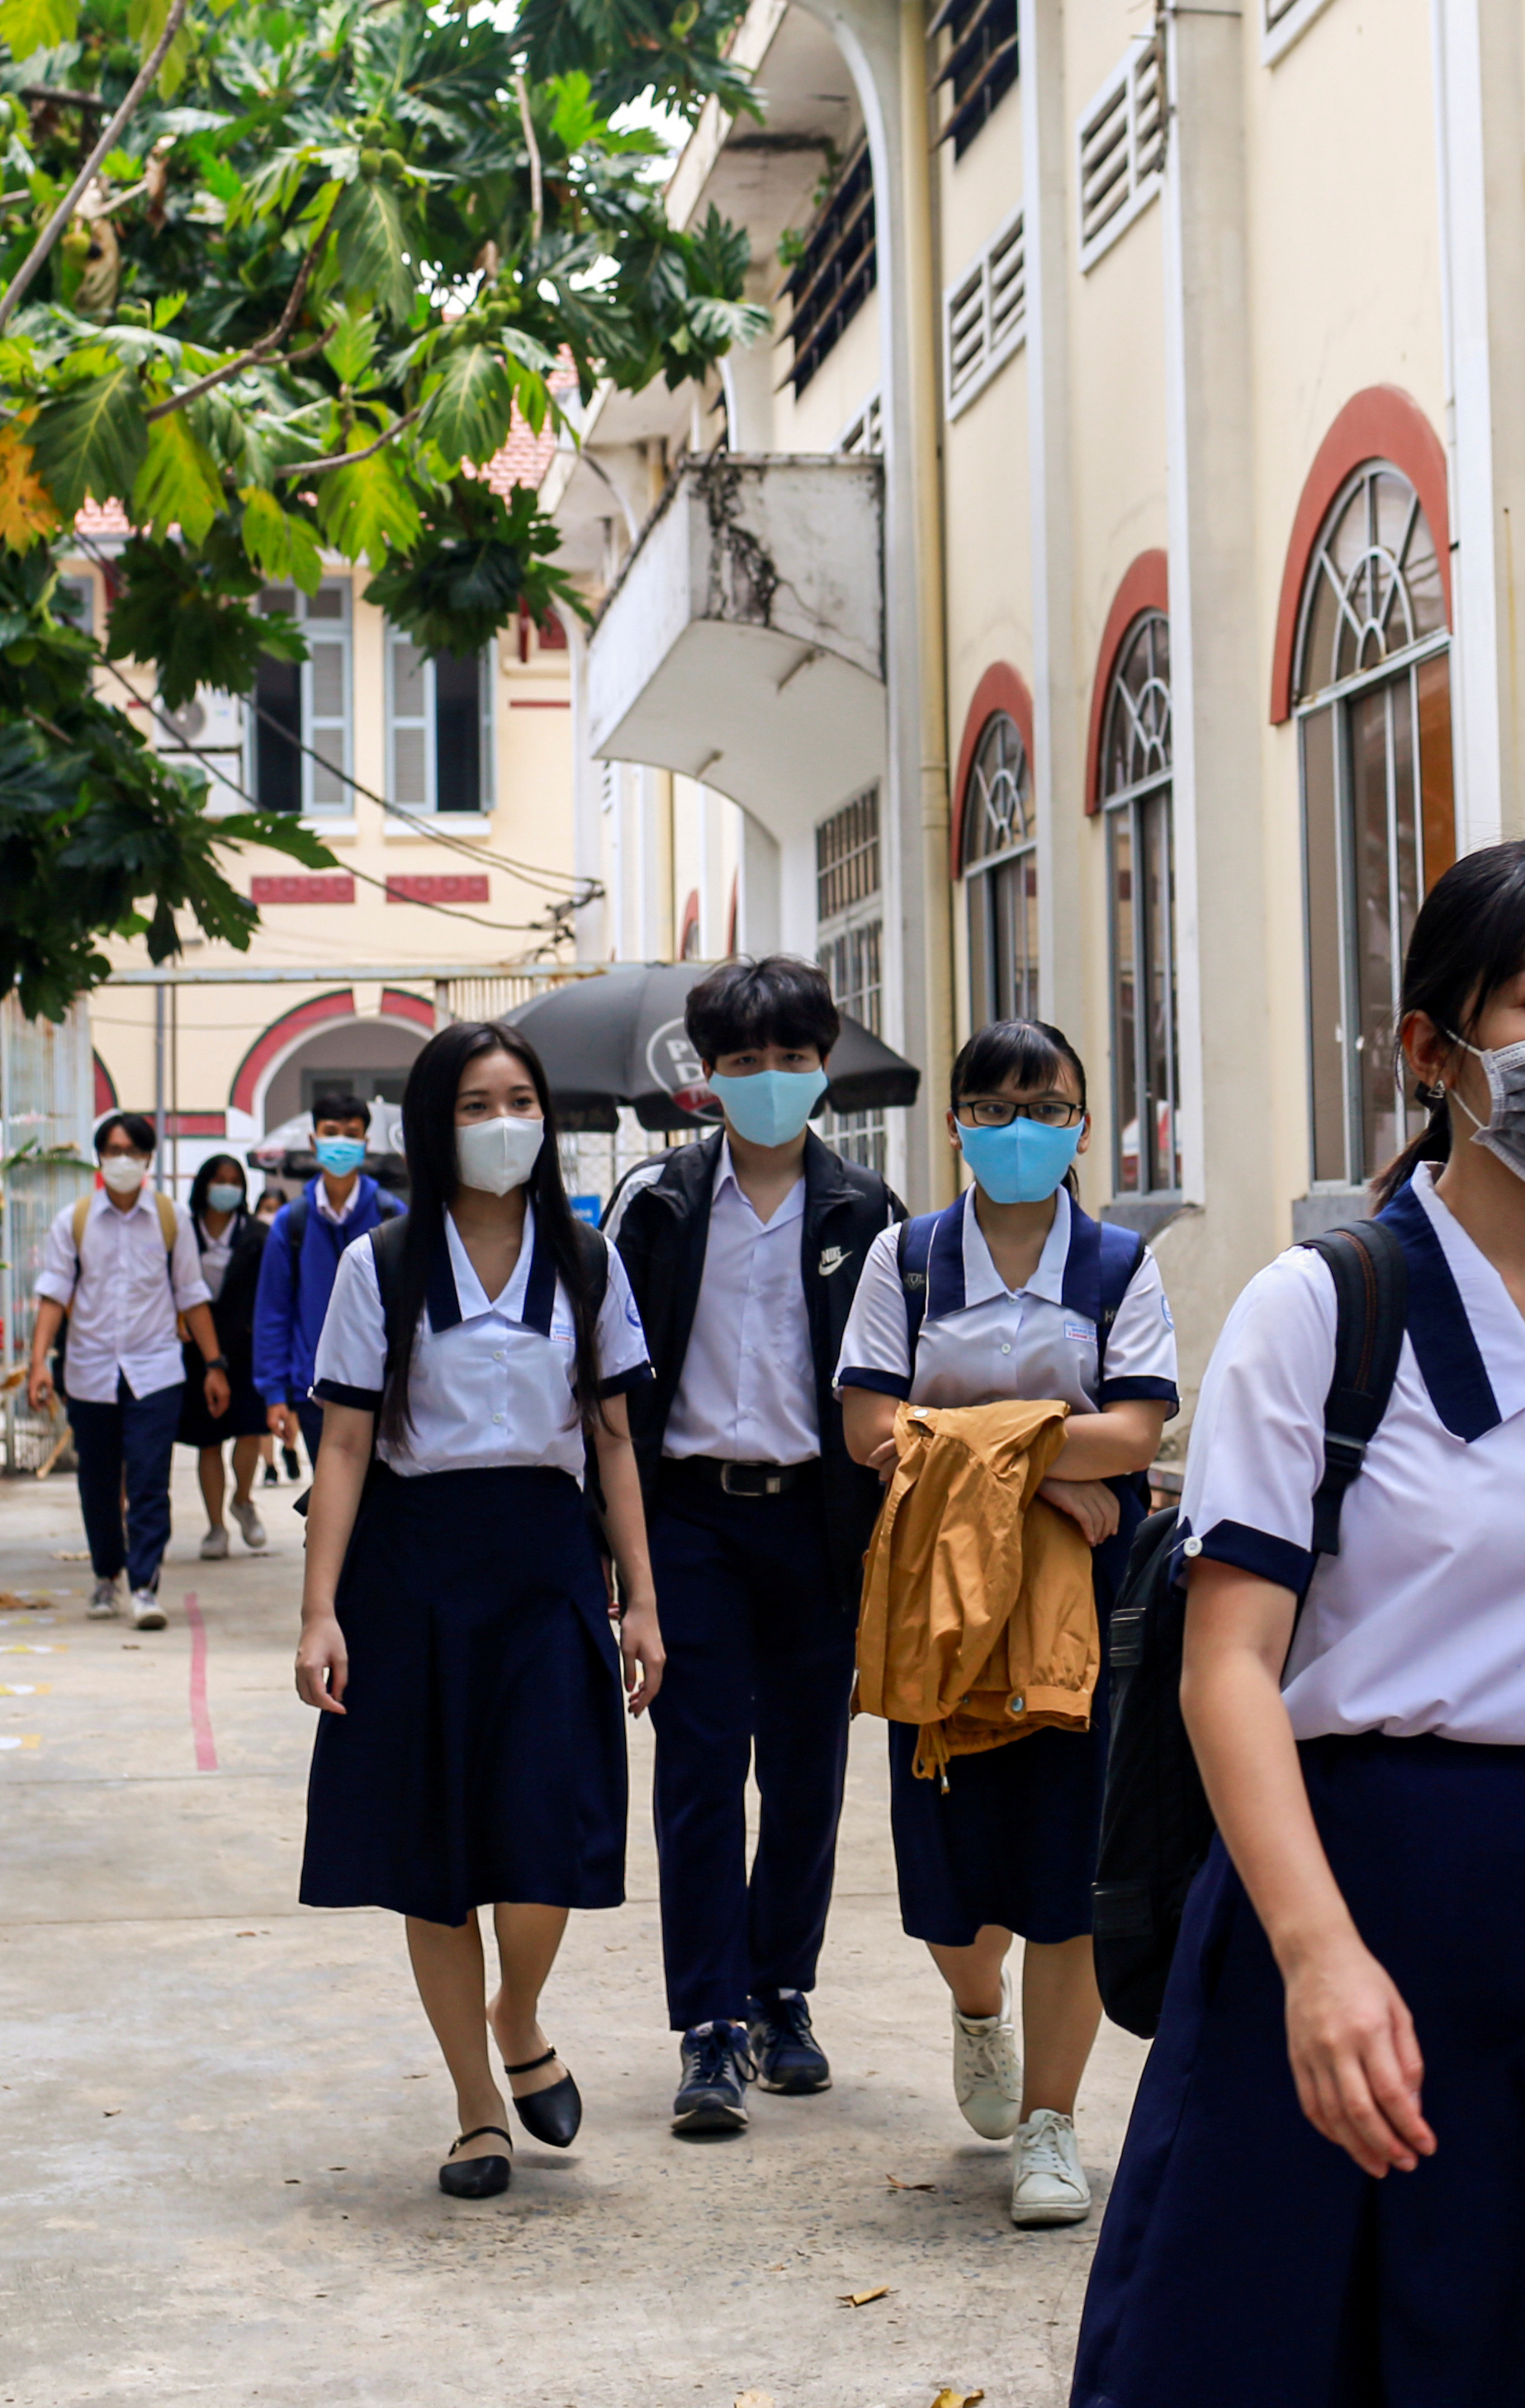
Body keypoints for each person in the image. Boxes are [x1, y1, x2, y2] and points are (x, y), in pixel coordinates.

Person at [1072, 841, 1525, 2407]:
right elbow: (1228, 1664)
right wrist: (1316, 1958)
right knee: (1286, 2348)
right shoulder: (1325, 1308)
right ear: (1433, 1050)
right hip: (1352, 1885)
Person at [294, 1022, 664, 2202]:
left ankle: (521, 2010)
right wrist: (319, 1612)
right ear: (431, 1122)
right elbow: (344, 1442)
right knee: (434, 1855)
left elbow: (613, 1438)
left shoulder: (589, 1261)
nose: (503, 1122)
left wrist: (643, 1600)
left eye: (520, 1100)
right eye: (473, 1103)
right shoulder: (385, 1266)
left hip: (546, 1567)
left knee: (547, 1838)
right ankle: (473, 2107)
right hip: (412, 1576)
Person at [835, 1017, 1175, 2232]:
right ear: (958, 1123)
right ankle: (978, 2010)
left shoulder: (1119, 1267)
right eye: (995, 1106)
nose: (1022, 1127)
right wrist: (1043, 1467)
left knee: (1067, 1873)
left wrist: (977, 1447)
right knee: (953, 1881)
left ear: (1084, 1120)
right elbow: (868, 1428)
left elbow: (1134, 1435)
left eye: (1048, 1104)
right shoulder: (908, 1260)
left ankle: (1052, 2122)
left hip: (1081, 1602)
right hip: (937, 1598)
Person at [604, 955, 901, 2138]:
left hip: (819, 1524)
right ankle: (708, 2024)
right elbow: (611, 1392)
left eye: (791, 1059)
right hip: (691, 1523)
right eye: (744, 1063)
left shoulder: (868, 1214)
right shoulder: (660, 1205)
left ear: (821, 1069)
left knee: (808, 1777)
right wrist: (625, 1573)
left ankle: (784, 1996)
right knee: (696, 1774)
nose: (769, 1081)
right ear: (706, 1078)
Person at [26, 1110, 232, 1630]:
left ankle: (144, 1585)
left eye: (133, 1152)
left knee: (148, 1478)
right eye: (113, 1151)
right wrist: (38, 1365)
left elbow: (191, 1293)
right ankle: (105, 1577)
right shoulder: (73, 1221)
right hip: (90, 1369)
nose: (123, 1161)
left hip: (156, 1369)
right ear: (100, 1157)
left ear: (147, 1159)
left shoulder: (170, 1220)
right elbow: (54, 1294)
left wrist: (214, 1364)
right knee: (97, 1481)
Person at [256, 1099, 401, 1498]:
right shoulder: (293, 1222)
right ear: (313, 1139)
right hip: (316, 1391)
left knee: (384, 1505)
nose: (341, 1143)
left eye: (352, 1135)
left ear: (366, 1141)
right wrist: (274, 1394)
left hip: (387, 1389)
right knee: (332, 1501)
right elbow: (273, 1311)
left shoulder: (392, 1216)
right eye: (331, 1134)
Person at [183, 1151, 277, 1560]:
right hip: (197, 1352)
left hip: (246, 1349)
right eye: (218, 1179)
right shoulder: (184, 1234)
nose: (226, 1188)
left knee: (250, 1430)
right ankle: (215, 1526)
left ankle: (244, 1500)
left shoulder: (258, 1235)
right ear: (204, 1184)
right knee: (207, 1440)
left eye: (234, 1181)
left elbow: (271, 1292)